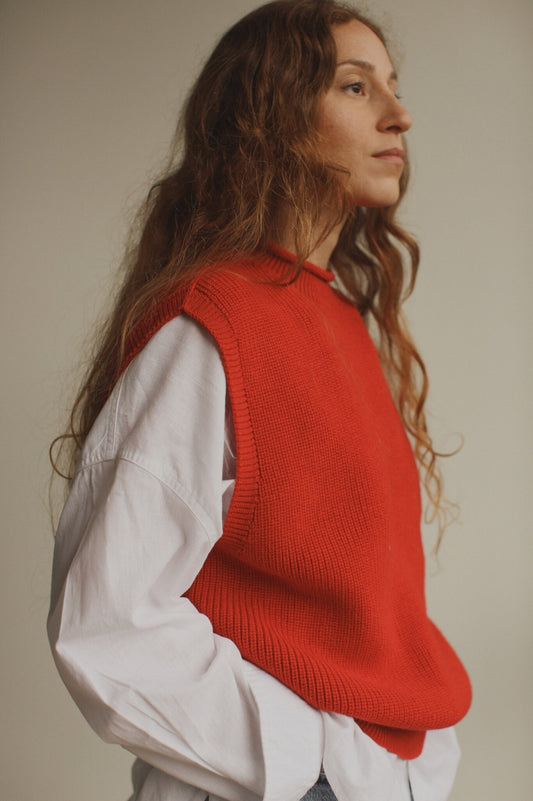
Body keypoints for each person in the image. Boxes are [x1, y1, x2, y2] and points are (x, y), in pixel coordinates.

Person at [47, 2, 472, 800]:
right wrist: (310, 762)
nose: (399, 113)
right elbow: (105, 617)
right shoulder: (212, 321)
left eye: (392, 84)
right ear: (271, 115)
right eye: (355, 86)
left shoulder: (337, 319)